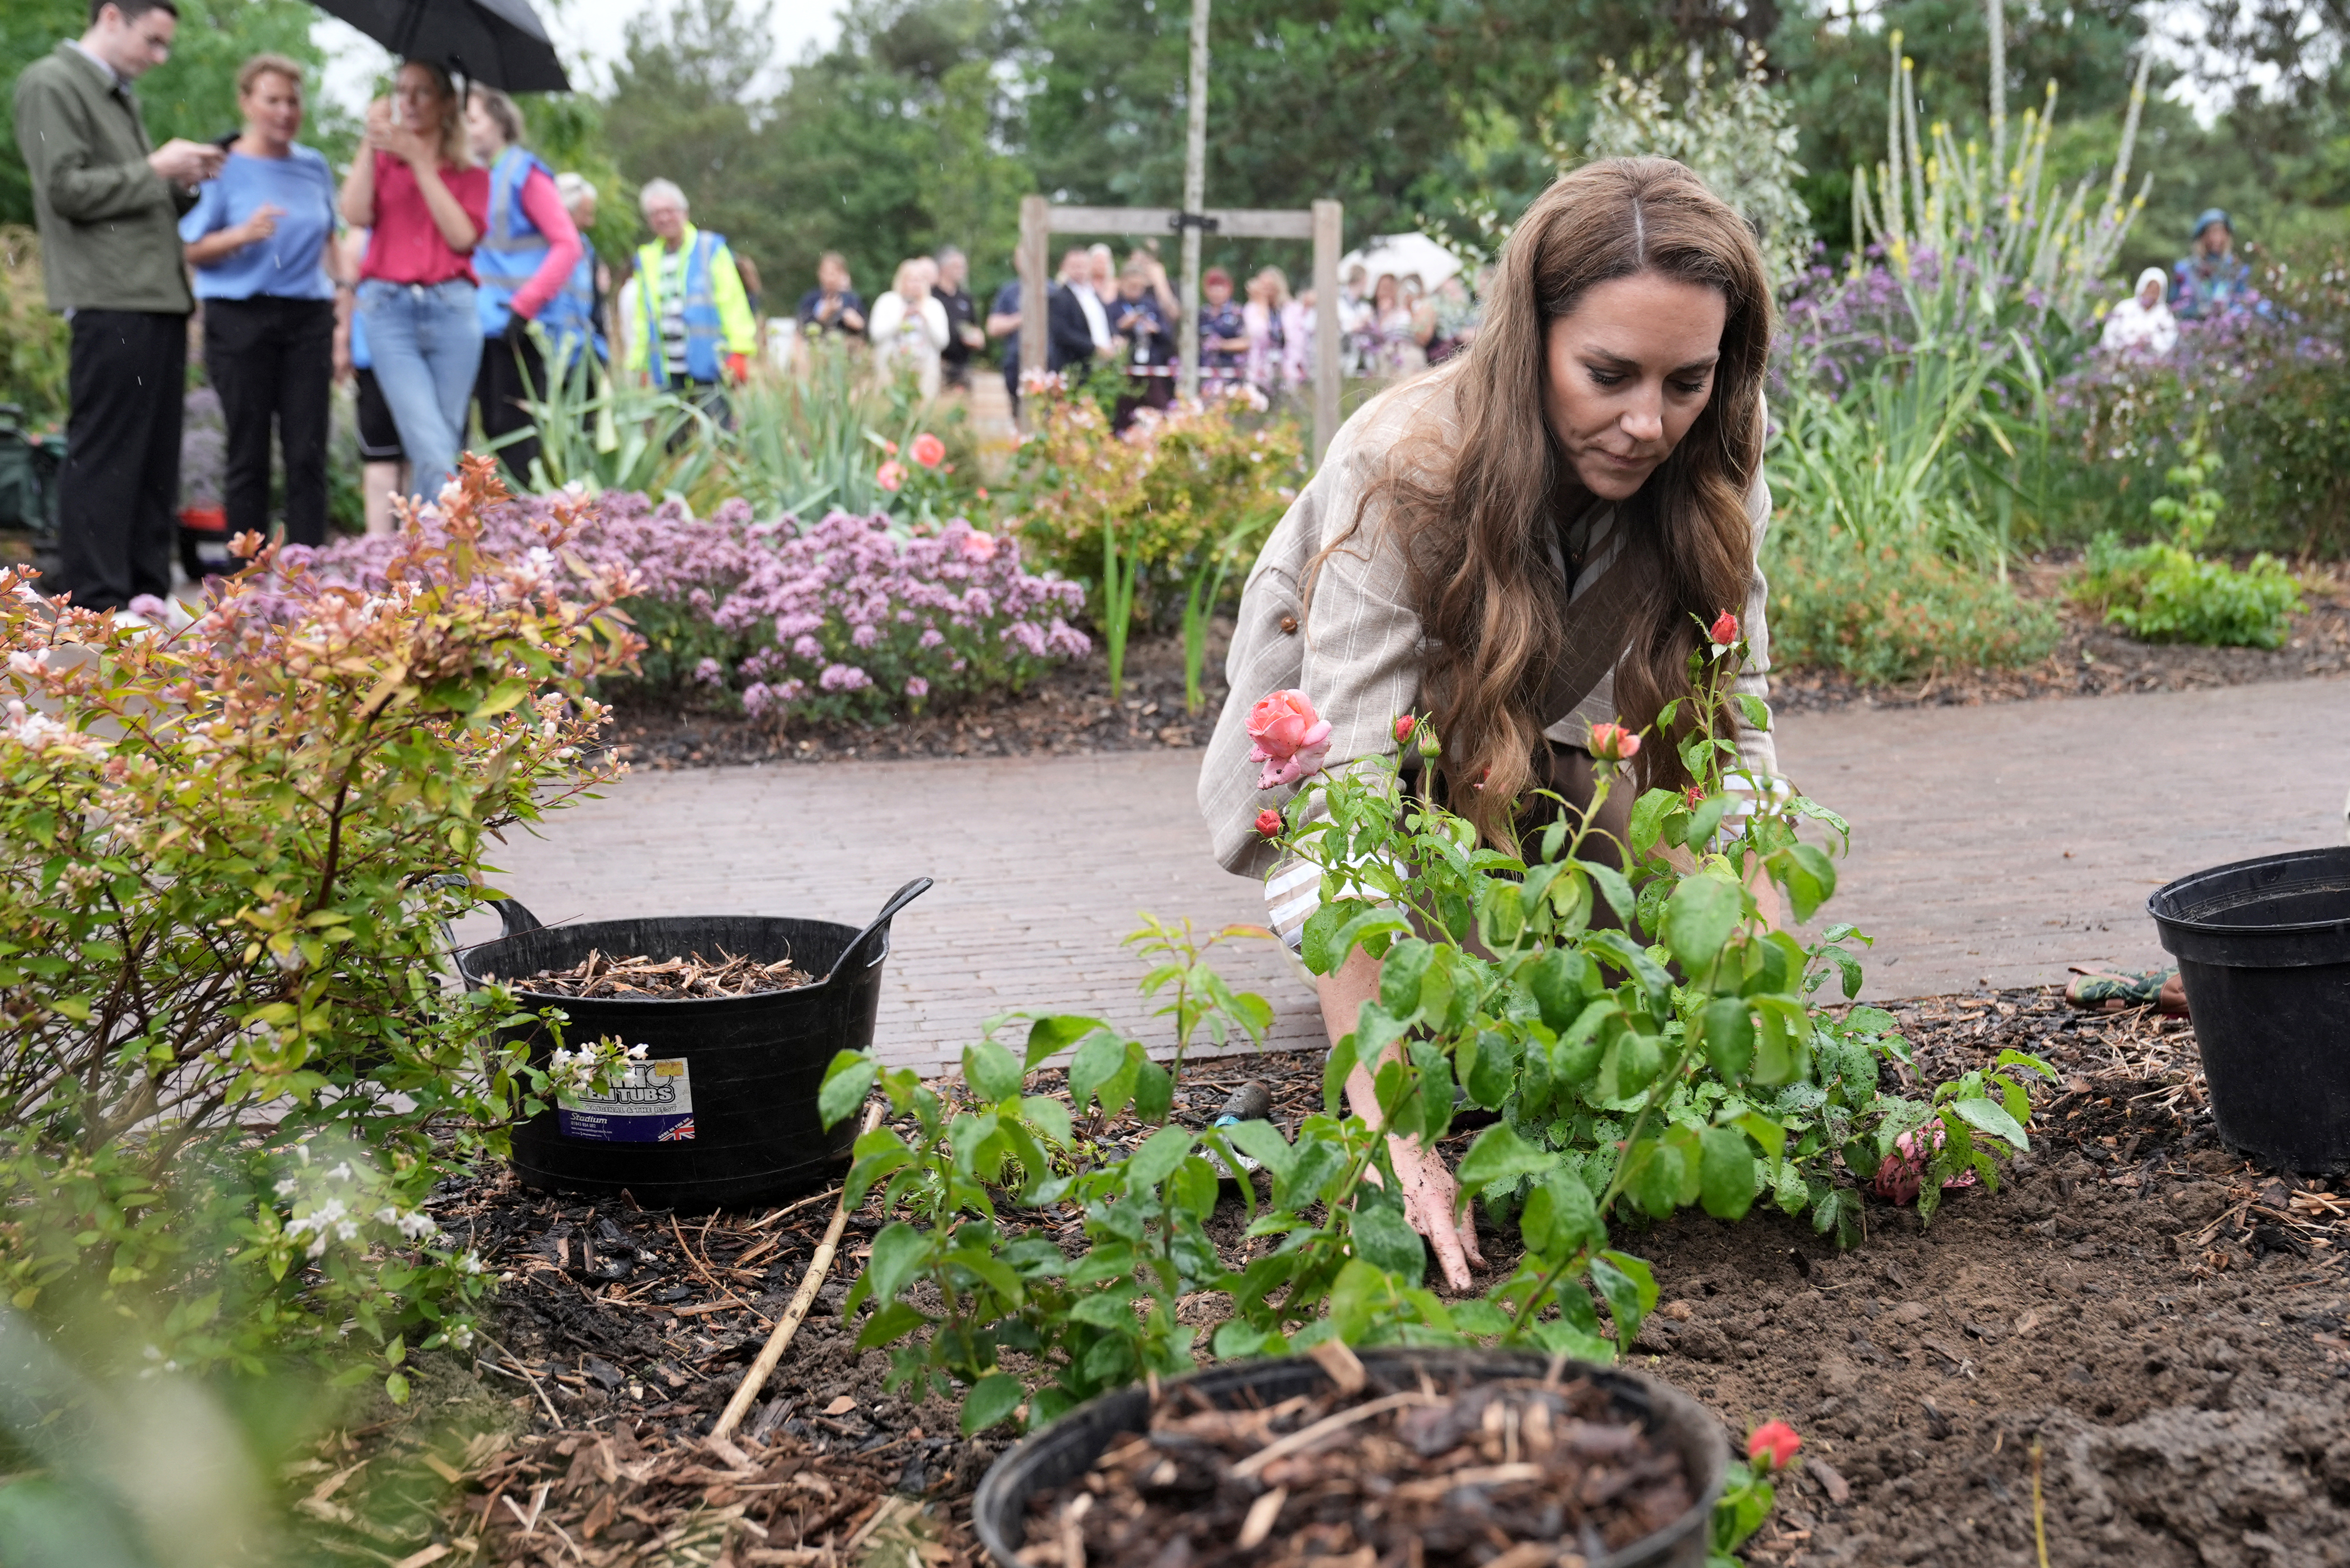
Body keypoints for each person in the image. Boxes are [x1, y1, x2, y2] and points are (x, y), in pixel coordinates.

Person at [1199, 157, 1783, 1290]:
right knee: (1426, 1005)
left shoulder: (1715, 458)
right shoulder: (1403, 461)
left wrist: (1754, 1018)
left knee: (1612, 959)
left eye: (1683, 380)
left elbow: (1733, 743)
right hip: (1343, 734)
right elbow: (1345, 785)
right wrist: (1393, 1131)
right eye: (1606, 373)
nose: (1645, 422)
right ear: (1530, 341)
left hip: (1520, 726)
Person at [13, 0, 225, 611]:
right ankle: (96, 600)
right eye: (153, 41)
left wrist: (181, 181)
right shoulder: (51, 83)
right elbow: (64, 190)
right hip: (108, 297)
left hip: (156, 295)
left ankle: (144, 596)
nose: (158, 58)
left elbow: (128, 197)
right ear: (112, 16)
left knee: (155, 458)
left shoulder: (116, 91)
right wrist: (156, 166)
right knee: (106, 453)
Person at [177, 54, 339, 561]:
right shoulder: (222, 166)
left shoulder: (313, 165)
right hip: (239, 318)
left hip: (308, 317)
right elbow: (187, 248)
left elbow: (331, 240)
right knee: (248, 451)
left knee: (307, 450)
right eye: (273, 100)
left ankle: (310, 573)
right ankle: (245, 575)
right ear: (247, 102)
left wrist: (345, 312)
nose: (285, 111)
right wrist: (242, 235)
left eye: (293, 101)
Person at [339, 60, 487, 502]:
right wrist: (371, 141)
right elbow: (355, 214)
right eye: (402, 90)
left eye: (422, 91)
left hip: (453, 310)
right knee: (427, 437)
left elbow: (462, 237)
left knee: (441, 436)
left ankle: (429, 555)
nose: (408, 101)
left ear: (446, 104)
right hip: (390, 312)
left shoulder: (472, 173)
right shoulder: (383, 164)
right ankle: (453, 542)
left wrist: (422, 163)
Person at [461, 85, 585, 487]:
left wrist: (524, 305)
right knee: (490, 433)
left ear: (499, 122)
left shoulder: (523, 173)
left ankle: (523, 528)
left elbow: (568, 245)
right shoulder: (476, 176)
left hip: (519, 326)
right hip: (480, 325)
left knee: (516, 434)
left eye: (473, 119)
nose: (464, 127)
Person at [624, 179, 757, 407]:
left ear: (684, 213)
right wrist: (640, 365)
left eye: (669, 211)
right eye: (656, 213)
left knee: (717, 435)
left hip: (711, 366)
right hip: (667, 372)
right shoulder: (646, 259)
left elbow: (733, 303)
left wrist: (740, 351)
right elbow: (642, 318)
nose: (664, 218)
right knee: (674, 440)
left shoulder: (709, 248)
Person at [333, 227, 407, 537]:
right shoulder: (362, 233)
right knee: (382, 456)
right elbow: (348, 282)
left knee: (420, 455)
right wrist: (342, 339)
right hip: (376, 356)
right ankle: (378, 547)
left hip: (430, 356)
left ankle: (419, 548)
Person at [984, 245, 1108, 414]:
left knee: (1049, 412)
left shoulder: (1053, 290)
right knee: (1021, 412)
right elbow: (993, 327)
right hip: (1017, 359)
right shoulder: (1009, 292)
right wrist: (1024, 318)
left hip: (1049, 361)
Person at [1110, 257, 1176, 431]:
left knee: (1160, 412)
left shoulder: (1151, 306)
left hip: (1152, 370)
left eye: (1139, 287)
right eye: (1132, 286)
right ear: (1122, 283)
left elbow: (1168, 337)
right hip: (1124, 372)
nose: (1136, 291)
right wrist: (1122, 327)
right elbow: (1106, 335)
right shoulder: (1113, 307)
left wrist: (1156, 330)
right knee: (1124, 416)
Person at [868, 256, 949, 399]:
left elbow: (943, 342)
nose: (916, 284)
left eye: (920, 280)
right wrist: (901, 319)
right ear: (901, 280)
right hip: (892, 367)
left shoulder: (934, 306)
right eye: (911, 279)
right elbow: (875, 335)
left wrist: (925, 320)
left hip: (924, 369)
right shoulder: (887, 301)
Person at [2172, 209, 2252, 321]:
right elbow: (2175, 307)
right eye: (2211, 233)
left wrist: (2229, 312)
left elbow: (2245, 304)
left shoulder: (2239, 270)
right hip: (2194, 331)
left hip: (2229, 333)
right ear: (2201, 237)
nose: (2216, 239)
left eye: (2221, 233)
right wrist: (2197, 312)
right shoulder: (2185, 270)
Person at [933, 246, 984, 391]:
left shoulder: (965, 298)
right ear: (943, 268)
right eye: (957, 266)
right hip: (938, 364)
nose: (962, 270)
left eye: (963, 267)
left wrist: (977, 338)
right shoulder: (932, 296)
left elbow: (974, 326)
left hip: (962, 366)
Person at [2100, 267, 2178, 357]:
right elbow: (2110, 333)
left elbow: (2169, 339)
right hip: (2120, 358)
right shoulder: (2124, 307)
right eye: (2149, 288)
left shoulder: (2165, 313)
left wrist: (2148, 342)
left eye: (2156, 290)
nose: (2151, 293)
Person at [796, 252, 866, 338]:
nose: (830, 278)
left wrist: (858, 324)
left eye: (833, 273)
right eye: (826, 273)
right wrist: (822, 316)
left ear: (843, 274)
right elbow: (801, 329)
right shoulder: (811, 299)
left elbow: (866, 330)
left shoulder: (852, 300)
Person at [1243, 267, 1289, 396]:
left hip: (1284, 370)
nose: (1267, 291)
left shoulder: (1287, 309)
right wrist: (1262, 304)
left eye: (1270, 287)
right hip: (1259, 372)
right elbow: (1258, 334)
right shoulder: (1252, 309)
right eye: (1263, 287)